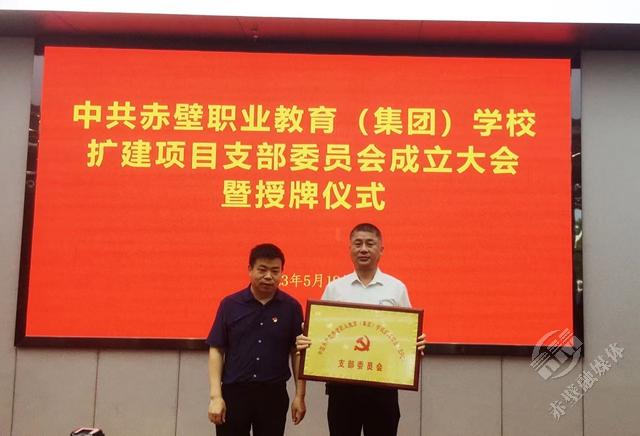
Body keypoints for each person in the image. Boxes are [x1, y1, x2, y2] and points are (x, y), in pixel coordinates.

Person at [297, 223, 426, 436]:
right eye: (358, 244)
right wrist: (308, 339)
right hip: (342, 387)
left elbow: (407, 333)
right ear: (350, 249)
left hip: (383, 386)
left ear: (381, 250)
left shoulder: (396, 288)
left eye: (370, 244)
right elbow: (320, 334)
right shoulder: (335, 288)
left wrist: (416, 343)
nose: (363, 249)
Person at [207, 243, 306, 436]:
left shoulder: (291, 307)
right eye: (262, 269)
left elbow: (297, 352)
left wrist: (299, 396)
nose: (269, 276)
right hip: (234, 393)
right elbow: (217, 349)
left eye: (275, 271)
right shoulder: (230, 304)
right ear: (250, 270)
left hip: (273, 395)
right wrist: (215, 397)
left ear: (282, 273)